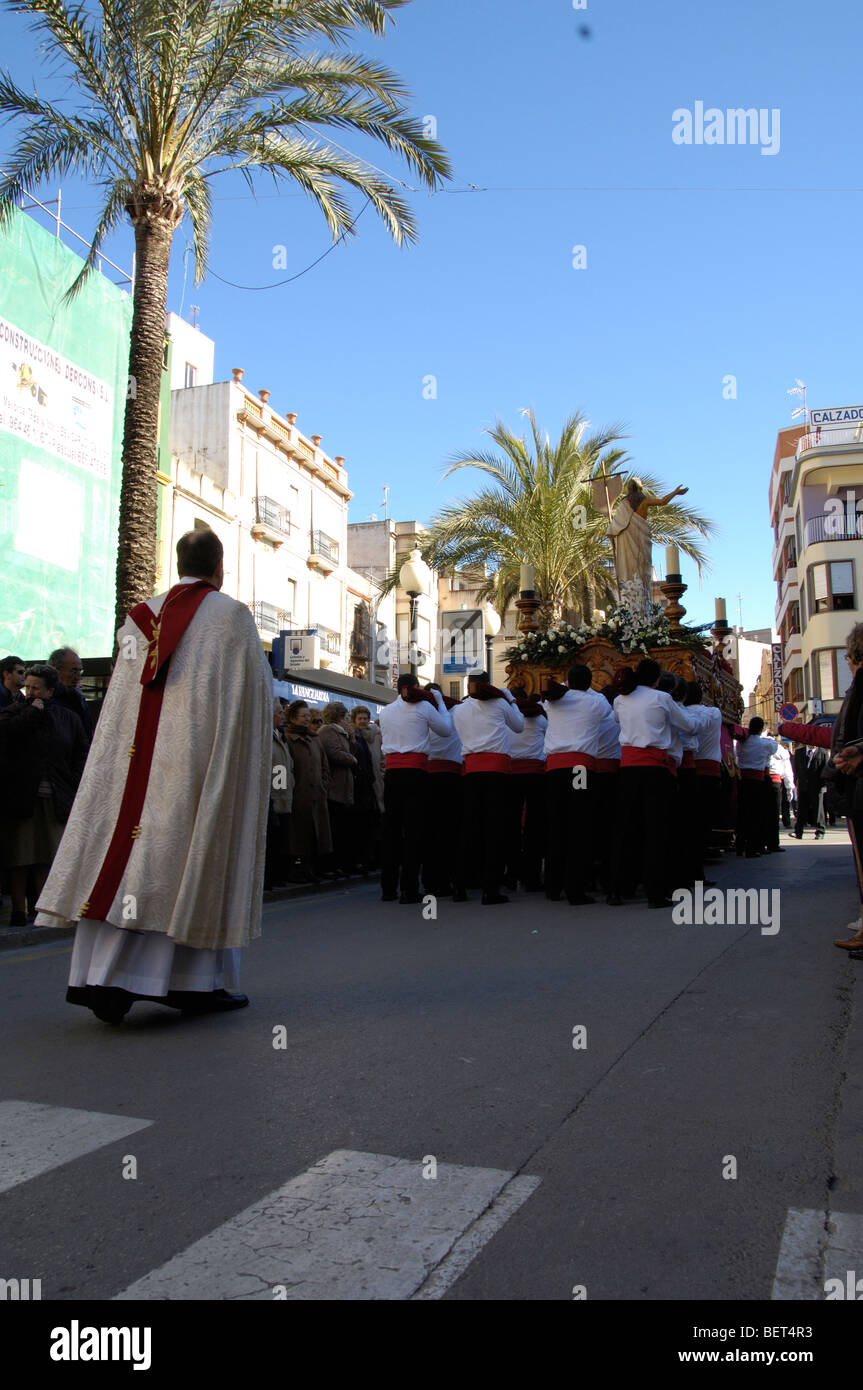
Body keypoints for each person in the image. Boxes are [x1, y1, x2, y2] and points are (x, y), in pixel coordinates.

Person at [34, 528, 272, 1022]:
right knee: (185, 859)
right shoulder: (231, 616)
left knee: (123, 855)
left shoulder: (139, 619)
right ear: (218, 569)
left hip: (130, 768)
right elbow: (252, 703)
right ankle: (189, 984)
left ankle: (101, 978)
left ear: (177, 562)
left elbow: (121, 705)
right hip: (194, 766)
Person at [0, 663, 89, 926]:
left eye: (36, 688)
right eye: (28, 686)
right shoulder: (16, 712)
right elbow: (7, 733)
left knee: (47, 856)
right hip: (22, 798)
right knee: (20, 856)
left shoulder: (67, 718)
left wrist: (73, 782)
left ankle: (42, 908)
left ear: (50, 691)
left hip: (55, 797)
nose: (30, 692)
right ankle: (18, 910)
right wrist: (29, 713)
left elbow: (80, 752)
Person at [611, 658, 696, 908]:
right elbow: (689, 726)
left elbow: (618, 720)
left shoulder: (620, 699)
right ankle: (655, 893)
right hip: (655, 770)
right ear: (657, 679)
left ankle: (618, 888)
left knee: (625, 829)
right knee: (656, 830)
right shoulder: (662, 699)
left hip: (627, 768)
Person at [450, 671, 523, 905]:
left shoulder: (459, 709)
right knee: (494, 830)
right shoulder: (500, 703)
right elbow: (519, 726)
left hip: (471, 771)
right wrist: (510, 699)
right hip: (497, 771)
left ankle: (459, 886)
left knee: (469, 829)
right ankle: (490, 889)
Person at [377, 674, 452, 903]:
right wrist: (439, 702)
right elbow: (446, 729)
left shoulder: (386, 711)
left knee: (391, 830)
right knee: (413, 832)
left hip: (392, 773)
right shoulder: (424, 707)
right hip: (416, 773)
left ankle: (388, 888)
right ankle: (409, 889)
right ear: (416, 689)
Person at [541, 666, 608, 905]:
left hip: (554, 769)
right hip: (579, 768)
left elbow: (549, 702)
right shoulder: (596, 701)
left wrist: (565, 687)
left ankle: (552, 886)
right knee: (578, 826)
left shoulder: (554, 702)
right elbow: (606, 713)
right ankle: (575, 888)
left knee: (556, 825)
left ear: (568, 681)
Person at [606, 478, 688, 618]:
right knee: (640, 571)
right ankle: (637, 607)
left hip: (628, 542)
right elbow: (662, 502)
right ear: (640, 488)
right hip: (639, 541)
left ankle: (637, 607)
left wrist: (613, 524)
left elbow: (614, 527)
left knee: (634, 570)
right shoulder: (643, 501)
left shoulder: (624, 504)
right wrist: (675, 493)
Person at [422, 684, 463, 897]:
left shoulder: (421, 713)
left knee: (430, 832)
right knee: (451, 832)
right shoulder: (454, 713)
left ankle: (431, 882)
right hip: (451, 777)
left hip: (428, 777)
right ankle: (452, 882)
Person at [284, 700, 332, 880]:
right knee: (298, 836)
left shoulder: (315, 739)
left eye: (308, 716)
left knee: (317, 833)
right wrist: (284, 791)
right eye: (303, 716)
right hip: (298, 795)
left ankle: (314, 868)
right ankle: (298, 870)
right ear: (293, 718)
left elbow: (324, 765)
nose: (307, 719)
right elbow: (282, 768)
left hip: (317, 794)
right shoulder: (288, 738)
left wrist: (324, 784)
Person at [505, 687, 546, 893]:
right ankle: (532, 877)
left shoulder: (507, 719)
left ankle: (511, 875)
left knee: (511, 827)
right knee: (534, 828)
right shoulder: (540, 719)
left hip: (511, 775)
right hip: (535, 775)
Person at [317, 703, 358, 878]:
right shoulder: (328, 731)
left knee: (344, 829)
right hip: (335, 787)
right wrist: (352, 759)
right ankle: (331, 865)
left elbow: (352, 750)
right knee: (334, 828)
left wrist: (352, 738)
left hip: (345, 786)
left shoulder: (343, 733)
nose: (348, 720)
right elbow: (335, 753)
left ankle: (342, 863)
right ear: (339, 717)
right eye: (346, 717)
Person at [734, 717, 778, 858]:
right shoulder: (765, 743)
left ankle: (740, 844)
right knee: (757, 814)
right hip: (757, 781)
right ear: (760, 729)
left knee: (743, 813)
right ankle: (754, 846)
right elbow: (774, 748)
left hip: (743, 780)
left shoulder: (741, 743)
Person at [265, 699, 294, 890]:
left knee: (280, 840)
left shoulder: (280, 735)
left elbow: (283, 769)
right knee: (271, 841)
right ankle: (269, 878)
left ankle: (277, 876)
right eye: (280, 713)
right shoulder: (268, 735)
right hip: (273, 796)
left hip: (281, 793)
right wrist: (276, 795)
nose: (283, 716)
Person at [48, 647, 95, 742]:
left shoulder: (77, 697)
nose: (78, 677)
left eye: (80, 671)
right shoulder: (47, 699)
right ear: (57, 670)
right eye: (74, 671)